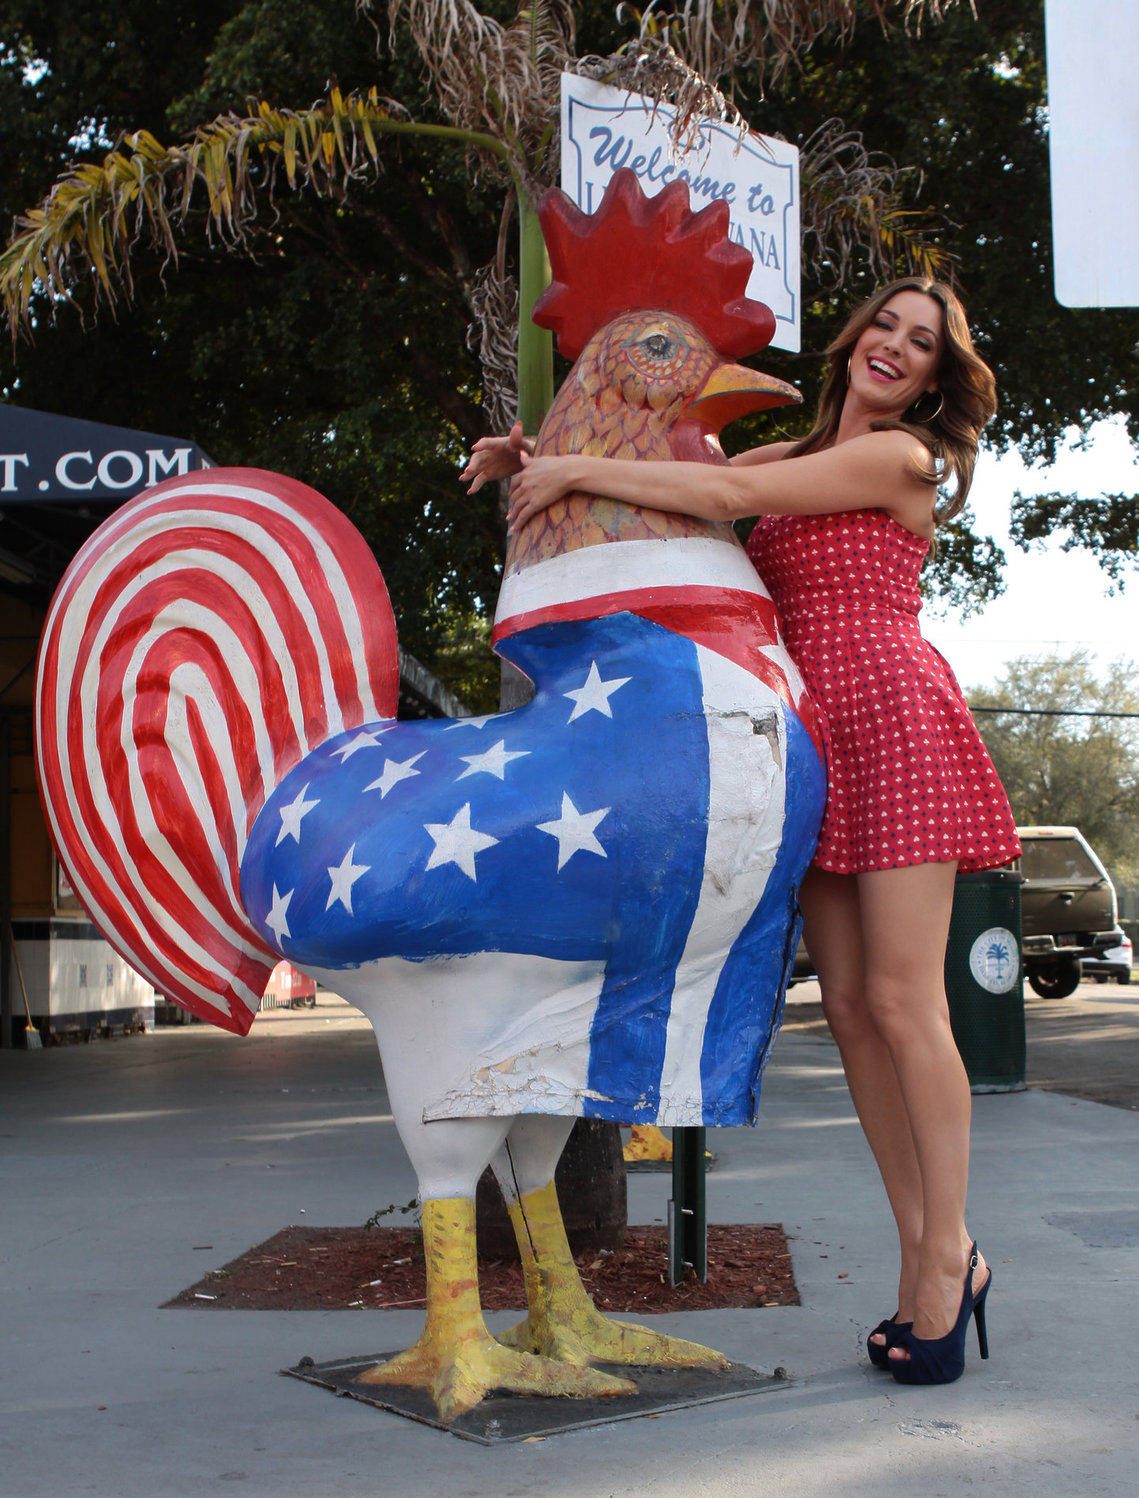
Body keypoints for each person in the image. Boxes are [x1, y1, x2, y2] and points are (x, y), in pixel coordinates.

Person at [462, 276, 1020, 1385]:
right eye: (883, 325)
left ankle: (942, 1259)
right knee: (848, 1009)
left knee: (904, 1002)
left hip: (892, 718)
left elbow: (717, 496)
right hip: (808, 734)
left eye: (920, 343)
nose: (893, 347)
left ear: (932, 377)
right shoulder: (788, 456)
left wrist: (575, 470)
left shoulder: (901, 459)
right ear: (853, 339)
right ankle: (931, 1254)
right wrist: (539, 456)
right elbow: (675, 480)